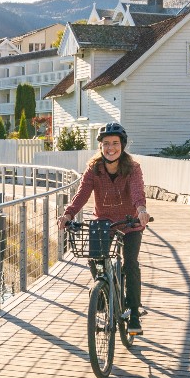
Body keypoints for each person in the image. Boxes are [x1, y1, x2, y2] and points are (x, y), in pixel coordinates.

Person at [58, 123, 153, 333]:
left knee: (130, 264)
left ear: (122, 145)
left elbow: (138, 192)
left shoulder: (133, 168)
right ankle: (103, 292)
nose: (111, 148)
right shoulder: (94, 169)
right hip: (103, 223)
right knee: (95, 259)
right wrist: (68, 213)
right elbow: (82, 193)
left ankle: (134, 312)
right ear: (100, 146)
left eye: (115, 144)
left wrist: (142, 210)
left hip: (130, 223)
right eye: (106, 144)